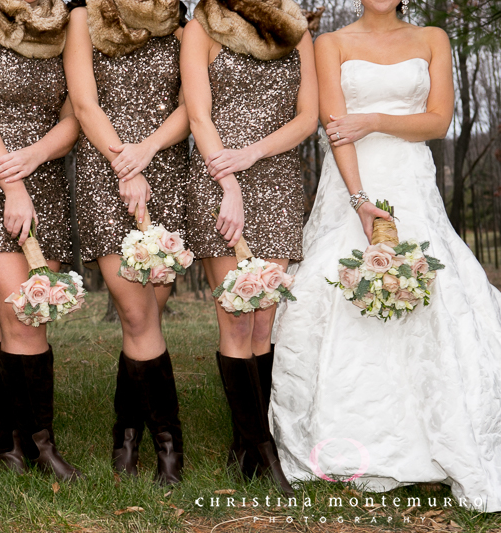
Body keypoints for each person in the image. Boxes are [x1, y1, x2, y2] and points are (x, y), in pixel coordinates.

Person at [271, 0, 501, 512]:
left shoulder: (432, 39)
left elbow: (438, 121)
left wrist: (373, 118)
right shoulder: (329, 43)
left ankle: (431, 441)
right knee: (338, 293)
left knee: (431, 291)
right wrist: (359, 204)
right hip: (352, 183)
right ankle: (345, 439)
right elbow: (336, 128)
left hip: (411, 179)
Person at [181, 0, 317, 495]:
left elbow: (308, 117)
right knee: (237, 315)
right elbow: (198, 116)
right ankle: (264, 451)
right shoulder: (204, 26)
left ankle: (247, 448)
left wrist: (256, 152)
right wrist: (231, 182)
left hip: (278, 179)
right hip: (221, 181)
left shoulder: (297, 32)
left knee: (265, 319)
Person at [0, 0, 81, 481]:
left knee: (24, 320)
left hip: (42, 176)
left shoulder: (64, 27)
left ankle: (8, 445)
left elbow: (75, 115)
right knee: (25, 316)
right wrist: (13, 185)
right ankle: (41, 448)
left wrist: (38, 154)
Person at [64, 0, 190, 485]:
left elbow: (192, 105)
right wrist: (125, 163)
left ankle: (127, 434)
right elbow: (84, 103)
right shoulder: (85, 16)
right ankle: (169, 447)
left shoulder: (179, 22)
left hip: (165, 172)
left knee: (146, 319)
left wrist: (148, 152)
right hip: (106, 170)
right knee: (138, 314)